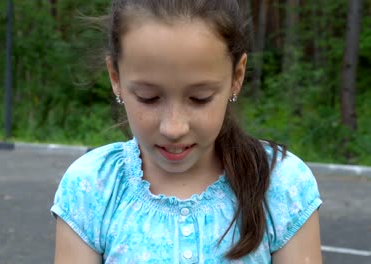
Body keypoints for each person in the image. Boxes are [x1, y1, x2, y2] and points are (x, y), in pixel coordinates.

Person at [51, 0, 323, 263]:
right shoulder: (92, 188)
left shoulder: (281, 185)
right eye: (148, 97)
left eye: (200, 98)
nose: (173, 128)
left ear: (237, 77)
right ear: (115, 78)